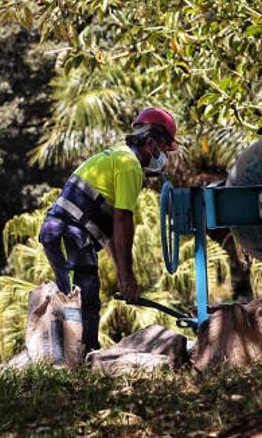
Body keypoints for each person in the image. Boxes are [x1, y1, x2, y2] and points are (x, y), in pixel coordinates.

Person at [38, 107, 178, 353]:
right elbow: (123, 219)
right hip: (69, 233)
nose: (164, 156)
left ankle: (72, 357)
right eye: (164, 149)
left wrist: (121, 272)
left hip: (64, 233)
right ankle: (80, 358)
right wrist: (127, 276)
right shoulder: (129, 165)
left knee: (75, 295)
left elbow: (112, 229)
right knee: (82, 297)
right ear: (149, 142)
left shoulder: (116, 157)